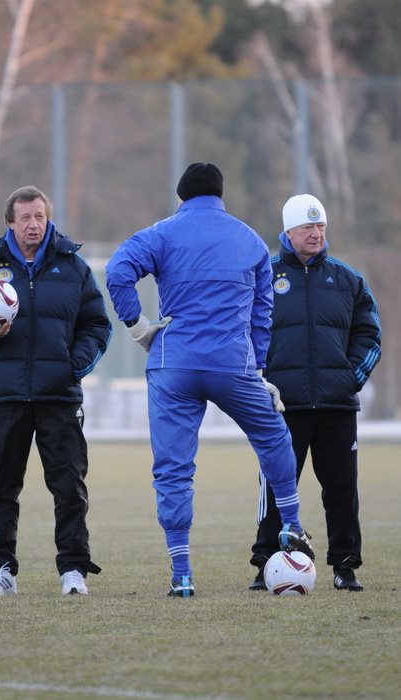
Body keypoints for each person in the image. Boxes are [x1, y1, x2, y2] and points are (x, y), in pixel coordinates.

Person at [106, 162, 314, 597]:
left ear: (181, 196)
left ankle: (182, 573)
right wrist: (258, 369)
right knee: (274, 437)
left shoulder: (162, 233)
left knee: (174, 468)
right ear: (221, 196)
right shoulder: (250, 240)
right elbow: (262, 312)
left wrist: (139, 327)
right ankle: (292, 523)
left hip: (174, 365)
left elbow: (118, 270)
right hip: (232, 365)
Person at [0, 186, 112, 597]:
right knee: (1, 488)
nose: (33, 224)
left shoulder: (72, 266)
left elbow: (97, 324)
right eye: (25, 217)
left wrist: (73, 365)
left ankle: (73, 570)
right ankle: (1, 571)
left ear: (48, 219)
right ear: (10, 222)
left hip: (58, 396)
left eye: (39, 216)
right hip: (5, 397)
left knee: (69, 487)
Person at [249, 193, 382, 592]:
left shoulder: (347, 280)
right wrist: (259, 381)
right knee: (276, 486)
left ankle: (345, 565)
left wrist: (350, 378)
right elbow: (243, 333)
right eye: (307, 226)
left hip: (336, 405)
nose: (316, 233)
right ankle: (266, 563)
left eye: (320, 225)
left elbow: (370, 334)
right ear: (288, 231)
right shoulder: (264, 277)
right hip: (283, 405)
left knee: (341, 488)